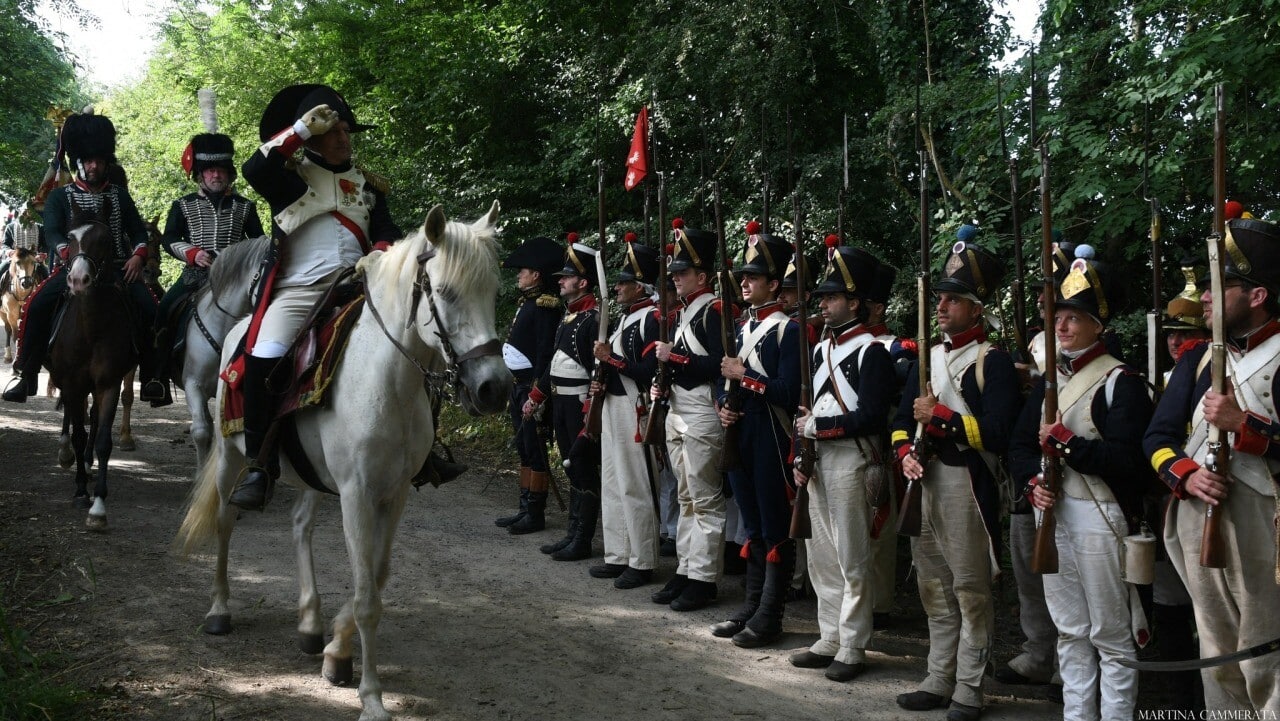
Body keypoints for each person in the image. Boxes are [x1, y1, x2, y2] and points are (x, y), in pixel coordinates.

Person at [226, 84, 402, 510]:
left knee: (410, 343)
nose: (344, 138)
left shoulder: (368, 185)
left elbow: (387, 233)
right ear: (314, 137)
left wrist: (377, 255)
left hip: (358, 292)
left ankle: (419, 449)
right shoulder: (289, 179)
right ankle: (259, 465)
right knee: (264, 354)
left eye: (347, 130)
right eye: (334, 130)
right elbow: (253, 169)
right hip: (300, 293)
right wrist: (300, 130)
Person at [1143, 211, 1280, 713]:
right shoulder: (1198, 359)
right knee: (1216, 653)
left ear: (1257, 295)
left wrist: (1246, 426)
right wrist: (1187, 474)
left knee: (1265, 656)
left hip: (1266, 524)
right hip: (1196, 514)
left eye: (1218, 286)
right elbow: (1157, 438)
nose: (1203, 295)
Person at [1010, 256, 1152, 721]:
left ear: (1097, 325)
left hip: (1101, 515)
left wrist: (1068, 444)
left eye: (1073, 317)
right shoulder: (1050, 381)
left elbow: (1131, 462)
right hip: (1053, 511)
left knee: (1111, 633)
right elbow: (1019, 446)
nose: (1062, 325)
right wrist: (1033, 481)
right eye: (1057, 318)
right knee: (1070, 629)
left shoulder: (1122, 382)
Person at [892, 234, 1021, 721]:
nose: (941, 306)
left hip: (967, 481)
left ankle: (969, 685)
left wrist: (942, 417)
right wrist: (905, 452)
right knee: (932, 585)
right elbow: (902, 420)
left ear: (975, 308)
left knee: (969, 589)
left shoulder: (994, 361)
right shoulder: (929, 357)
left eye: (951, 299)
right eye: (940, 298)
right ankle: (937, 675)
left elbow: (999, 432)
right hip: (922, 479)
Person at [789, 243, 893, 680]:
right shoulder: (820, 350)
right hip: (820, 459)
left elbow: (871, 415)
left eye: (831, 298)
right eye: (823, 298)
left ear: (854, 302)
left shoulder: (873, 352)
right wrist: (802, 452)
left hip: (851, 459)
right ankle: (828, 635)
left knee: (852, 556)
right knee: (822, 555)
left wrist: (818, 429)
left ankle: (853, 644)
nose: (824, 305)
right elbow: (807, 409)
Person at [3, 112, 157, 403]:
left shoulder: (120, 196)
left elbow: (138, 232)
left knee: (151, 309)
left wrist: (138, 256)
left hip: (117, 269)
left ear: (105, 161)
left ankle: (152, 377)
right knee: (35, 306)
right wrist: (67, 254)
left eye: (99, 160)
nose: (94, 165)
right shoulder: (60, 197)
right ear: (79, 162)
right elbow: (52, 232)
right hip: (72, 267)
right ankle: (26, 373)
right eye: (88, 161)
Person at [710, 227, 799, 647]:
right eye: (743, 277)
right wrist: (720, 404)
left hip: (771, 434)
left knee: (773, 522)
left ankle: (770, 613)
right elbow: (721, 380)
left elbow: (789, 390)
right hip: (741, 431)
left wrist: (745, 378)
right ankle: (751, 604)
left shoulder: (787, 331)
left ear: (774, 285)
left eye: (753, 277)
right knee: (751, 523)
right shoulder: (742, 327)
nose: (743, 282)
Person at [143, 131, 264, 407]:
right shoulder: (183, 205)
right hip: (195, 276)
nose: (216, 175)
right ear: (200, 175)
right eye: (210, 170)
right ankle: (158, 377)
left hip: (234, 280)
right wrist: (193, 253)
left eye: (221, 170)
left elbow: (258, 243)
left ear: (229, 174)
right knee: (163, 311)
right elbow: (170, 238)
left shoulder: (245, 207)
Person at [651, 218, 729, 611]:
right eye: (674, 273)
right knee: (685, 495)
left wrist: (675, 357)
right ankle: (686, 568)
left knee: (703, 496)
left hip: (701, 408)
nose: (676, 278)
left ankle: (703, 577)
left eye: (682, 272)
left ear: (702, 274)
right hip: (680, 408)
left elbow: (719, 365)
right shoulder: (685, 312)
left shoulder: (714, 309)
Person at [588, 232, 660, 588]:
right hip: (612, 403)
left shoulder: (651, 319)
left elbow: (647, 372)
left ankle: (642, 559)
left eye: (624, 282)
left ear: (641, 286)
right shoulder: (624, 318)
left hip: (634, 404)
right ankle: (618, 553)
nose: (617, 287)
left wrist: (610, 359)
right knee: (613, 482)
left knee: (634, 484)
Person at [523, 235, 601, 561]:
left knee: (582, 468)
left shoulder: (594, 318)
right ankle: (572, 534)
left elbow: (598, 372)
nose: (561, 282)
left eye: (567, 278)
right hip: (561, 402)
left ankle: (582, 539)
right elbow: (556, 364)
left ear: (582, 282)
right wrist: (536, 397)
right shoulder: (569, 316)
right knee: (571, 468)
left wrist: (588, 412)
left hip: (579, 405)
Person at [497, 235, 563, 535]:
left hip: (531, 388)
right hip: (517, 386)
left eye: (523, 271)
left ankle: (535, 512)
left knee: (535, 450)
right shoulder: (528, 304)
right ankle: (524, 507)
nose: (519, 276)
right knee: (524, 449)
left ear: (536, 274)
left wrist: (538, 394)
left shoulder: (545, 306)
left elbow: (545, 353)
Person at [864, 257, 914, 627]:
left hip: (881, 446)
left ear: (877, 306)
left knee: (878, 529)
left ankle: (879, 604)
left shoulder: (898, 347)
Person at [1, 206, 47, 283]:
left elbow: (45, 245)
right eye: (25, 211)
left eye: (30, 211)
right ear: (20, 212)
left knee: (47, 277)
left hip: (34, 258)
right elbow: (5, 244)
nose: (27, 214)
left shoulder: (40, 227)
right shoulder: (10, 227)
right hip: (15, 258)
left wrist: (41, 254)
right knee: (1, 269)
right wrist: (9, 252)